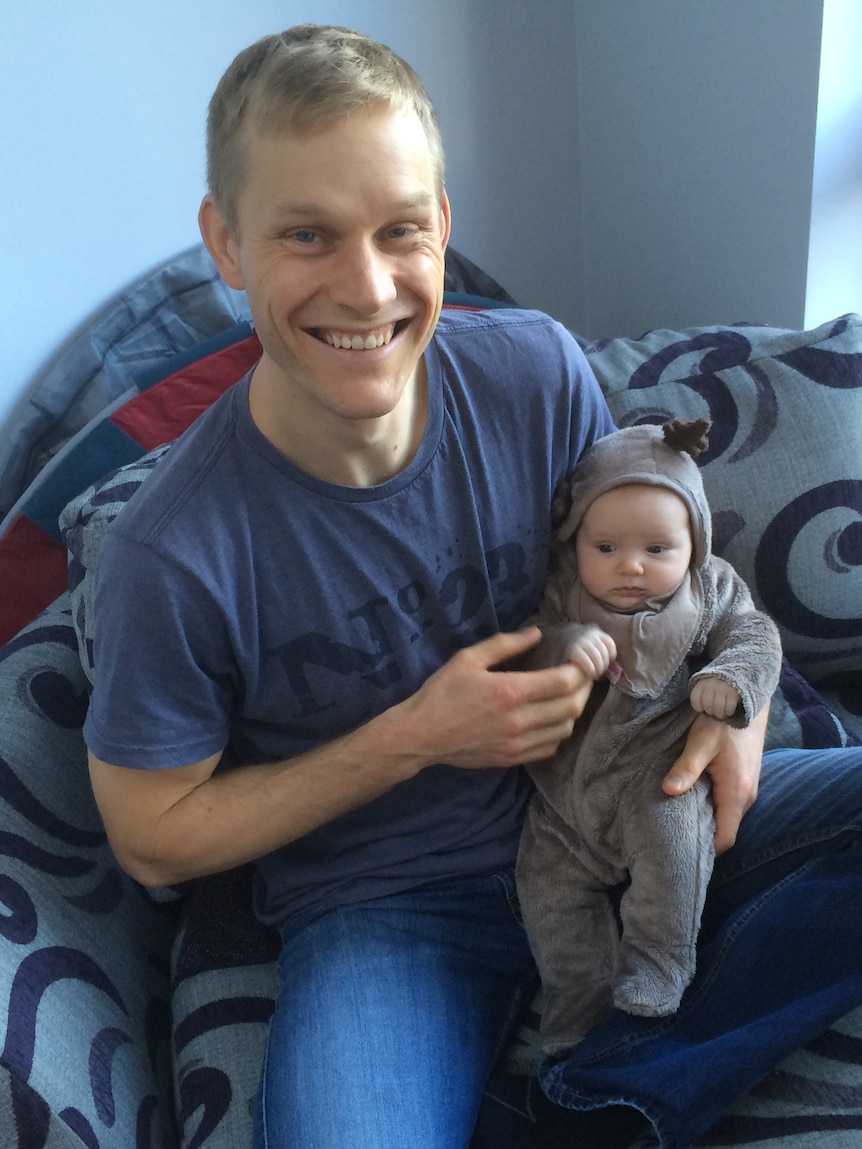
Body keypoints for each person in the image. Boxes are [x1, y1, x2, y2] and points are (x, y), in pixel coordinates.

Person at [79, 24, 862, 1149]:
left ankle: (618, 1092)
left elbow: (654, 570)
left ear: (443, 226)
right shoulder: (173, 549)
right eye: (307, 233)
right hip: (392, 913)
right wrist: (411, 737)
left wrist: (738, 719)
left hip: (631, 808)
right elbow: (150, 834)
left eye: (400, 230)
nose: (367, 285)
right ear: (228, 244)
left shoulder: (534, 372)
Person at [514, 418, 782, 1056]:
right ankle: (575, 1013)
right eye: (605, 548)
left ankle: (658, 971)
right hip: (563, 800)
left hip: (659, 779)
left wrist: (730, 680)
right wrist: (564, 646)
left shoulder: (711, 589)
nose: (630, 567)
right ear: (574, 542)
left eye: (657, 550)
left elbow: (756, 636)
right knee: (550, 898)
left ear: (694, 544)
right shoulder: (561, 595)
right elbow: (523, 650)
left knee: (673, 864)